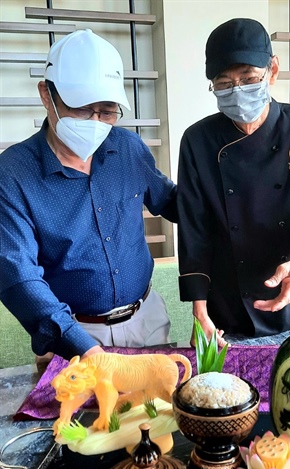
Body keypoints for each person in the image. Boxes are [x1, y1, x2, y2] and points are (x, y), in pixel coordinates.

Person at [0, 29, 177, 365]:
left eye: (107, 111)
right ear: (46, 95)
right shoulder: (12, 174)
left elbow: (172, 202)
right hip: (73, 334)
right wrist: (82, 346)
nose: (95, 122)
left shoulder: (128, 148)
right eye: (81, 109)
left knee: (161, 400)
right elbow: (17, 273)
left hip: (147, 319)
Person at [177, 18, 290, 346]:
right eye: (224, 83)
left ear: (273, 71)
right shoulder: (197, 141)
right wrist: (199, 311)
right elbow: (195, 231)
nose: (237, 91)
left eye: (249, 79)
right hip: (227, 311)